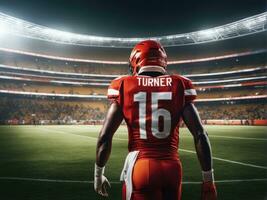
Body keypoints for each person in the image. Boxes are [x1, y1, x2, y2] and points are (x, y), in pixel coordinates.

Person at [94, 40, 217, 200]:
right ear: (163, 61)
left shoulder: (124, 85)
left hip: (142, 166)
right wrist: (208, 180)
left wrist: (98, 175)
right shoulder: (179, 84)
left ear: (136, 61)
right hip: (172, 167)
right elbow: (200, 135)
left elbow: (105, 138)